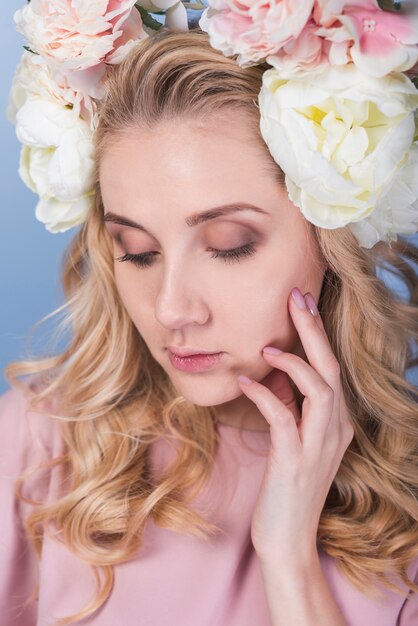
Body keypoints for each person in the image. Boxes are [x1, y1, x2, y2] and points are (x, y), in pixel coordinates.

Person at [2, 3, 418, 626]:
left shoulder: (406, 503)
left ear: (333, 240)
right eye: (137, 252)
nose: (172, 308)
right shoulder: (39, 451)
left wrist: (288, 561)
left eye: (229, 245)